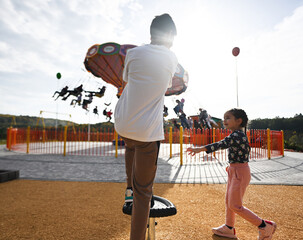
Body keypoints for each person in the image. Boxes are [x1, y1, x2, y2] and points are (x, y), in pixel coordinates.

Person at [114, 13, 178, 240]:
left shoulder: (132, 53)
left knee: (130, 143)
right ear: (171, 36)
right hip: (146, 131)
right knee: (145, 192)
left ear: (151, 33)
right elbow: (167, 87)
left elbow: (126, 81)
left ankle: (128, 189)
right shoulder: (171, 58)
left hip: (122, 122)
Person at [187, 108, 277, 239]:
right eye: (224, 118)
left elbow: (221, 144)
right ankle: (229, 228)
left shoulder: (237, 135)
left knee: (235, 205)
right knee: (229, 201)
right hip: (235, 170)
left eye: (228, 118)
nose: (224, 121)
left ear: (239, 121)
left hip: (239, 172)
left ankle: (264, 225)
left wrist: (201, 149)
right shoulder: (237, 134)